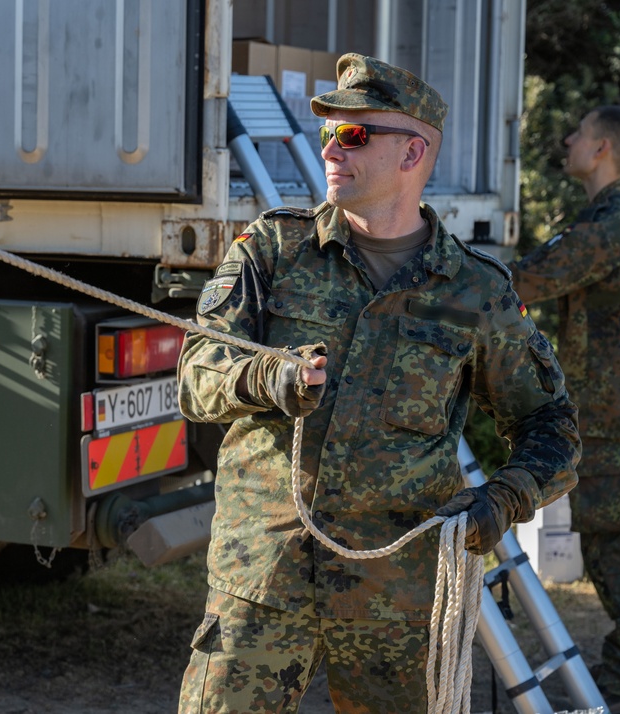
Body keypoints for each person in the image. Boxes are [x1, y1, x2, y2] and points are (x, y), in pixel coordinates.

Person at [175, 52, 581, 713]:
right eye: (328, 132)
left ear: (413, 152)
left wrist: (502, 502)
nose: (333, 148)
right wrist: (267, 376)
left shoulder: (474, 291)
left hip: (394, 598)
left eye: (355, 134)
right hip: (263, 579)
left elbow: (553, 428)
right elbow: (195, 378)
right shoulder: (272, 252)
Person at [508, 105, 620, 714]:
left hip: (609, 421)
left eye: (577, 133)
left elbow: (525, 281)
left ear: (601, 148)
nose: (568, 139)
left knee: (613, 545)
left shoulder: (609, 226)